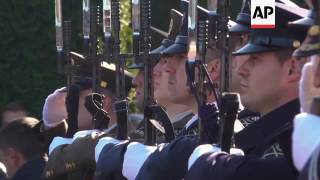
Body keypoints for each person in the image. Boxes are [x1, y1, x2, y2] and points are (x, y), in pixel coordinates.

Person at [186, 2, 308, 180]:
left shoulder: (295, 143)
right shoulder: (270, 135)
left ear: (292, 69)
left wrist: (216, 168)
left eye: (255, 59)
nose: (241, 68)